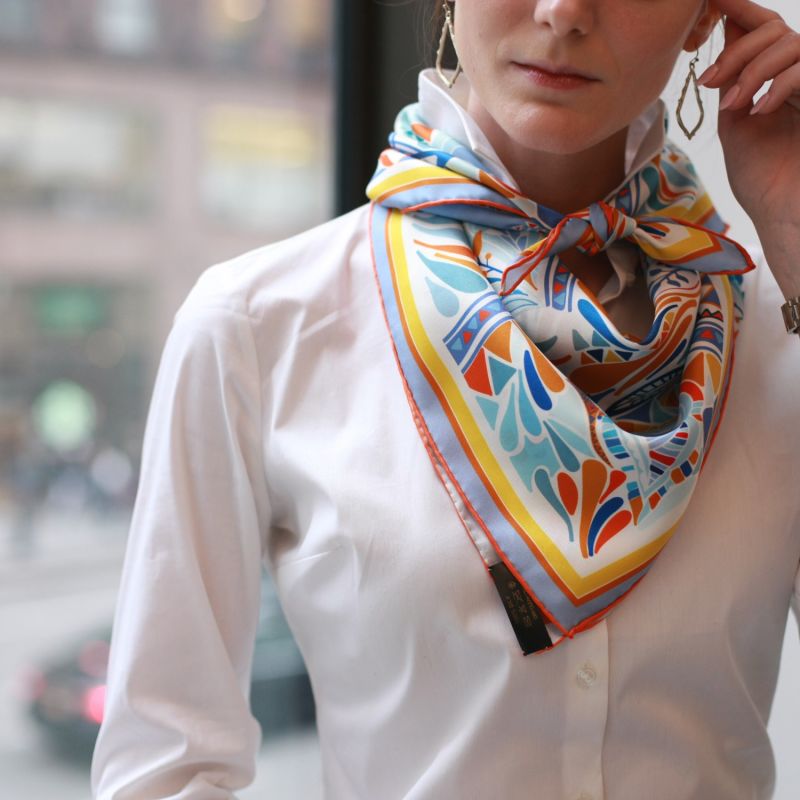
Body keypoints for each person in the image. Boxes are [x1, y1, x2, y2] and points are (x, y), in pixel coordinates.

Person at [91, 0, 800, 797]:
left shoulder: (780, 332)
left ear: (704, 18)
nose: (563, 11)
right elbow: (164, 766)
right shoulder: (260, 327)